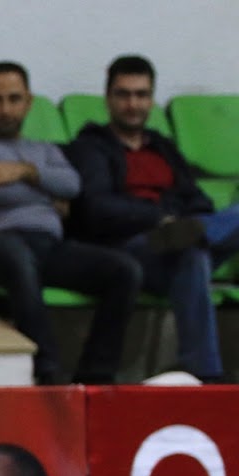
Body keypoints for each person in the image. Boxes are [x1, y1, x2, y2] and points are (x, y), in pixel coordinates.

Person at [0, 62, 142, 385]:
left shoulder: (43, 150)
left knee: (125, 270)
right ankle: (47, 370)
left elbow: (73, 186)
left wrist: (26, 172)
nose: (5, 109)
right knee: (19, 259)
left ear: (28, 102)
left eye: (14, 99)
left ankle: (95, 377)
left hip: (47, 246)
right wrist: (46, 192)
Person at [67, 54, 239, 384]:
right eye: (123, 95)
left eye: (141, 95)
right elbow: (98, 208)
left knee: (193, 245)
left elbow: (198, 199)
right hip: (130, 248)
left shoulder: (162, 148)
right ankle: (206, 373)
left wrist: (190, 224)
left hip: (178, 241)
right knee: (192, 253)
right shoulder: (91, 147)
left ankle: (201, 232)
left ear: (151, 100)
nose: (133, 104)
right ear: (108, 99)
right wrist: (161, 219)